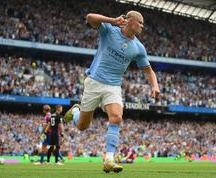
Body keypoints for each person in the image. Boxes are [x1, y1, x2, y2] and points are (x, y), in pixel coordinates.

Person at [64, 10, 160, 173]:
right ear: (130, 21)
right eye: (140, 22)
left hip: (113, 86)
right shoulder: (109, 30)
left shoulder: (138, 47)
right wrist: (112, 20)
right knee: (82, 126)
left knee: (116, 117)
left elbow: (148, 70)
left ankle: (109, 159)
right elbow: (89, 17)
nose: (143, 26)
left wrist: (155, 86)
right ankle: (75, 111)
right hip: (94, 82)